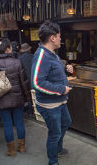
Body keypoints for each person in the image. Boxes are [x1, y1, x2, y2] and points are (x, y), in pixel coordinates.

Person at [31, 21, 73, 165]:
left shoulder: (52, 53)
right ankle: (53, 161)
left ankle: (58, 149)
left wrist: (66, 67)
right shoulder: (41, 55)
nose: (61, 39)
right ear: (52, 38)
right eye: (59, 36)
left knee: (66, 122)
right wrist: (61, 89)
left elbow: (52, 68)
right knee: (54, 133)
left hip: (60, 101)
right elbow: (37, 83)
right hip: (49, 105)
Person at [0, 37, 29, 156]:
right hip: (17, 98)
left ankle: (11, 150)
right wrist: (26, 98)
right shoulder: (17, 62)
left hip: (0, 100)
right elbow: (24, 83)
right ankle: (22, 147)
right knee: (19, 122)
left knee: (7, 124)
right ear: (8, 49)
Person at [18, 43, 34, 114]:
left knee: (28, 96)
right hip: (33, 78)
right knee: (34, 95)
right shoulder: (33, 56)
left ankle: (30, 111)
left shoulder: (19, 59)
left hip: (25, 79)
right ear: (29, 49)